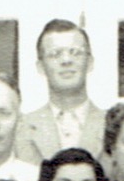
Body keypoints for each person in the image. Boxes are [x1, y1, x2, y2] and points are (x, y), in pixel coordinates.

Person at [21, 19, 104, 164]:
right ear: (40, 67)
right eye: (55, 54)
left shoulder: (112, 126)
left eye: (75, 52)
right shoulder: (21, 128)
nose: (66, 60)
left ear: (90, 62)